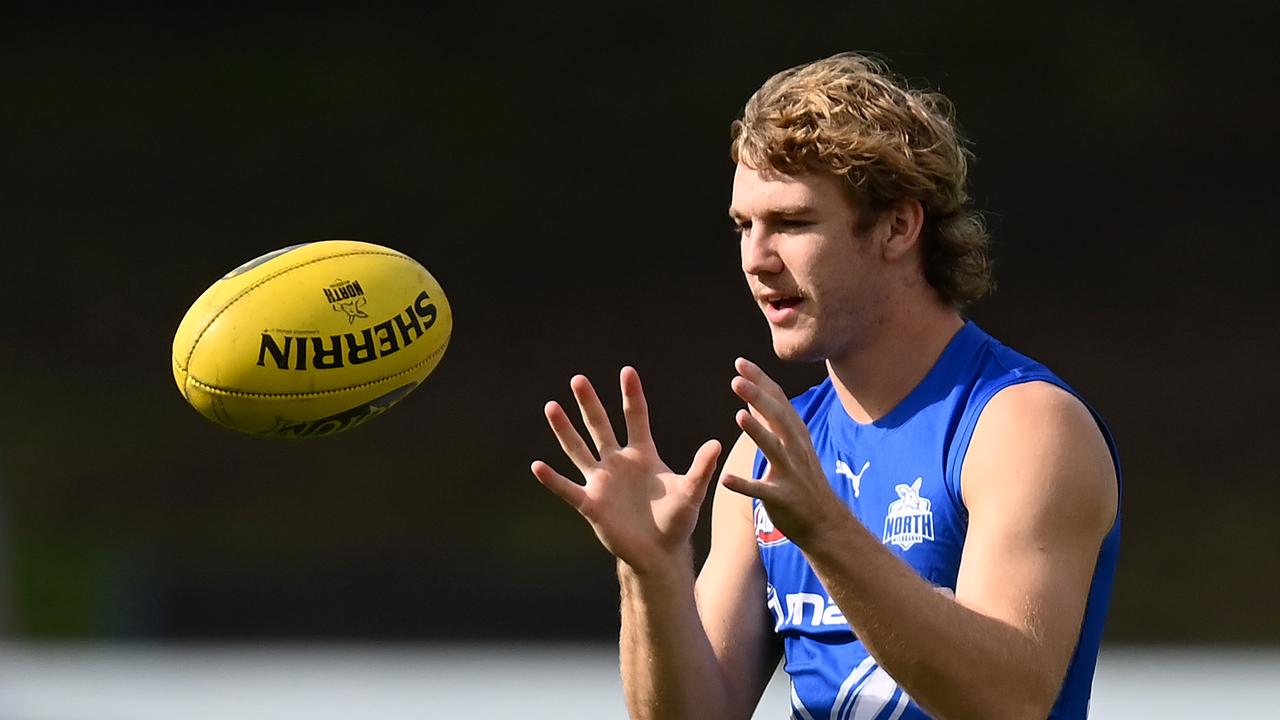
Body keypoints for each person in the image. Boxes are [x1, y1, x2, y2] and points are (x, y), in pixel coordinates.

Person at [531, 52, 1120, 720]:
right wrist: (654, 572)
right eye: (743, 226)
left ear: (898, 226)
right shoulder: (768, 455)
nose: (756, 258)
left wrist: (827, 533)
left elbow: (1009, 703)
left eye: (792, 222)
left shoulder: (1019, 425)